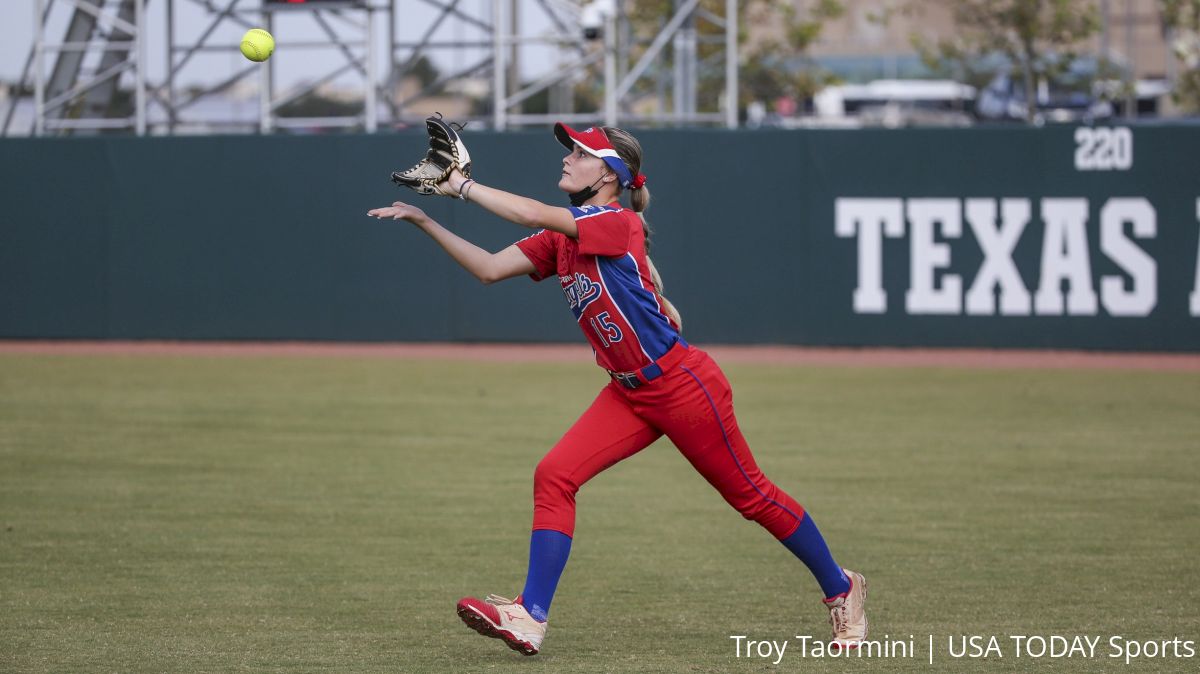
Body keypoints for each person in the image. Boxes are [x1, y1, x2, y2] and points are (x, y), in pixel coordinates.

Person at [367, 123, 867, 656]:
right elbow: (490, 269)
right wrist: (425, 221)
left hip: (682, 386)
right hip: (629, 393)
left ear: (609, 174)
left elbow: (533, 212)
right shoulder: (564, 237)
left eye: (579, 153)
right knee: (555, 475)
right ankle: (529, 616)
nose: (567, 159)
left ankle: (843, 588)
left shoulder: (615, 220)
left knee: (751, 497)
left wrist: (462, 185)